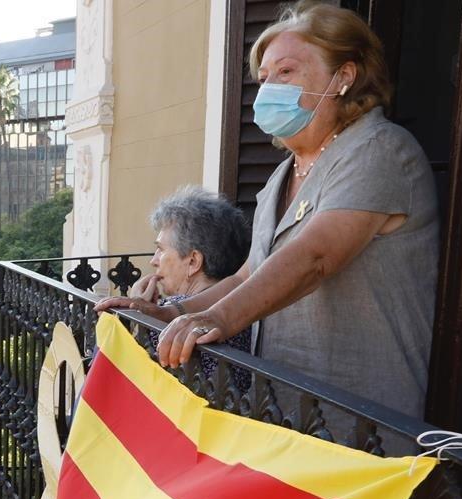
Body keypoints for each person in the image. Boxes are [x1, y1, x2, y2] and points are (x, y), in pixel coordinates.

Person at [99, 3, 439, 424]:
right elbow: (248, 275)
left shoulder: (379, 151)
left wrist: (217, 319)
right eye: (264, 79)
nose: (268, 89)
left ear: (344, 77)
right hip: (285, 410)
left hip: (359, 418)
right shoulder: (284, 172)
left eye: (286, 72)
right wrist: (175, 312)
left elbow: (316, 257)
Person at [121, 187, 253, 391]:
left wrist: (137, 312)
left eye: (161, 250)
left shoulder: (169, 315)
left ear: (193, 261)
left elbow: (126, 377)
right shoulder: (243, 310)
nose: (153, 260)